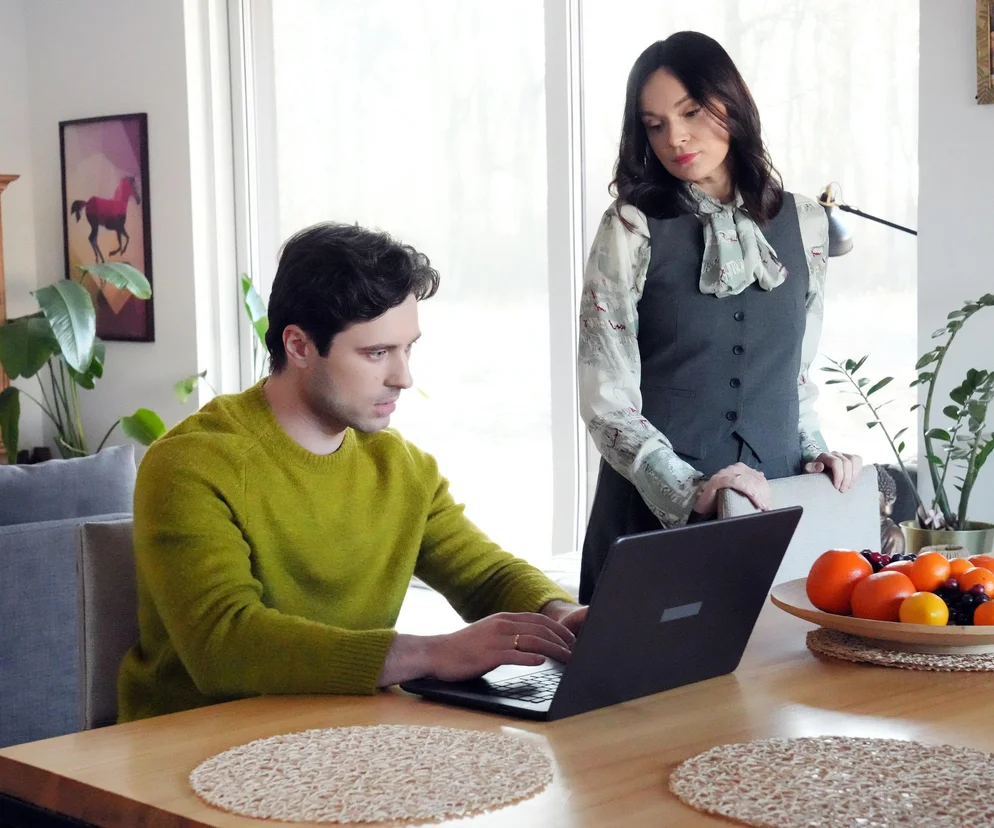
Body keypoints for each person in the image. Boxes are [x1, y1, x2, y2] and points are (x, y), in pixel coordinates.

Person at [119, 223, 586, 722]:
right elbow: (224, 643)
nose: (403, 377)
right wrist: (430, 654)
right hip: (192, 741)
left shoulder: (400, 467)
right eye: (377, 353)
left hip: (340, 729)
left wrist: (562, 616)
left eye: (408, 348)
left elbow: (484, 575)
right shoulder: (191, 464)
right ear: (299, 346)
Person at [578, 32, 863, 603]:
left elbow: (795, 377)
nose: (675, 138)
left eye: (691, 112)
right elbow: (607, 400)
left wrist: (818, 454)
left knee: (780, 659)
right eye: (654, 124)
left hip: (775, 509)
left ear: (732, 103)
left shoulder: (807, 222)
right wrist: (690, 490)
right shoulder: (630, 226)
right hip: (653, 519)